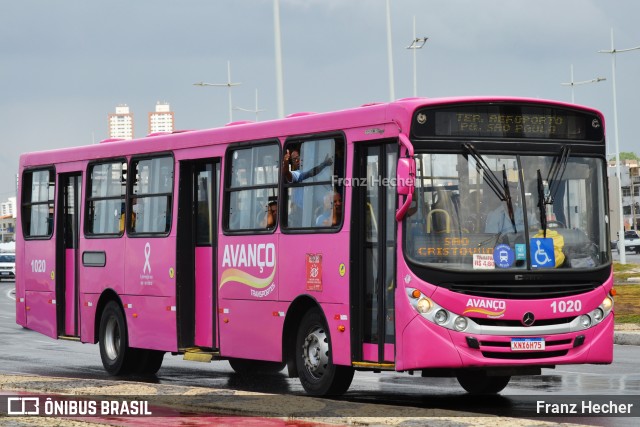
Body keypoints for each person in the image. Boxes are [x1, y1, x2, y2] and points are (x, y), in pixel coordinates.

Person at [282, 147, 333, 225]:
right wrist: (285, 161)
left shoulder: (324, 173)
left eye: (298, 158)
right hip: (300, 213)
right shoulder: (297, 173)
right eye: (293, 159)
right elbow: (287, 173)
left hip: (317, 209)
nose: (296, 161)